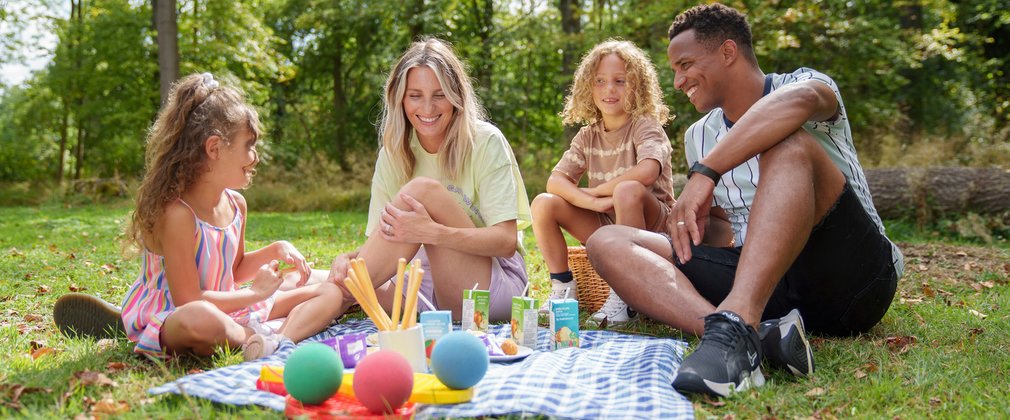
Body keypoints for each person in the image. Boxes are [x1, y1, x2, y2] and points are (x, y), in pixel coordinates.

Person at [585, 3, 904, 397]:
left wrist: (706, 172)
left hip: (853, 280)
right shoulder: (698, 136)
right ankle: (744, 335)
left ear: (728, 52)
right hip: (767, 288)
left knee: (787, 144)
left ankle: (738, 321)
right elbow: (723, 226)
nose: (678, 80)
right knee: (608, 241)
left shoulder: (804, 84)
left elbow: (799, 102)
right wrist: (691, 231)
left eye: (685, 64)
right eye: (674, 70)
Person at [55, 73, 346, 361]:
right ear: (215, 148)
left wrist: (275, 249)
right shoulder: (178, 214)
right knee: (201, 319)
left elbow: (234, 271)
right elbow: (189, 300)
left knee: (330, 293)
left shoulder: (236, 204)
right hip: (180, 313)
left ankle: (274, 340)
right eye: (249, 145)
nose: (255, 156)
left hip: (230, 307)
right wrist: (254, 295)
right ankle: (245, 334)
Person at [326, 38, 531, 323]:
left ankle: (333, 297)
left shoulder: (485, 142)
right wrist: (349, 258)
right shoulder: (393, 154)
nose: (427, 108)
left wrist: (432, 232)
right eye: (415, 95)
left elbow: (506, 241)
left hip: (490, 287)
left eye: (439, 94)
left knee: (423, 191)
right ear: (399, 98)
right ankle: (273, 328)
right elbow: (386, 243)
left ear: (456, 95)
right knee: (334, 277)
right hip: (425, 285)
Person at [531, 39, 676, 327]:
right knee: (543, 204)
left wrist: (597, 189)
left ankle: (627, 294)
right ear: (589, 87)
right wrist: (592, 202)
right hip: (608, 222)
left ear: (637, 86)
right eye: (600, 81)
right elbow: (555, 181)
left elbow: (647, 171)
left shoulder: (645, 125)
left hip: (652, 228)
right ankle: (562, 287)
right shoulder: (588, 135)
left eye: (620, 81)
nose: (610, 89)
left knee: (626, 190)